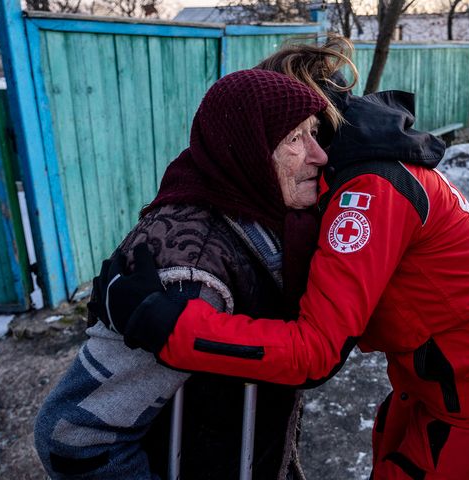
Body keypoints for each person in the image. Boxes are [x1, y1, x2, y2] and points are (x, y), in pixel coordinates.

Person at [94, 43, 469, 479]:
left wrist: (165, 326)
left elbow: (316, 353)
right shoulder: (364, 160)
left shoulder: (368, 191)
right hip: (430, 376)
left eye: (290, 126)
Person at [34, 68, 335, 479]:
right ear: (248, 148)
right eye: (295, 139)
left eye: (313, 132)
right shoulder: (189, 271)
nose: (320, 155)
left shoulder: (263, 214)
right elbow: (75, 436)